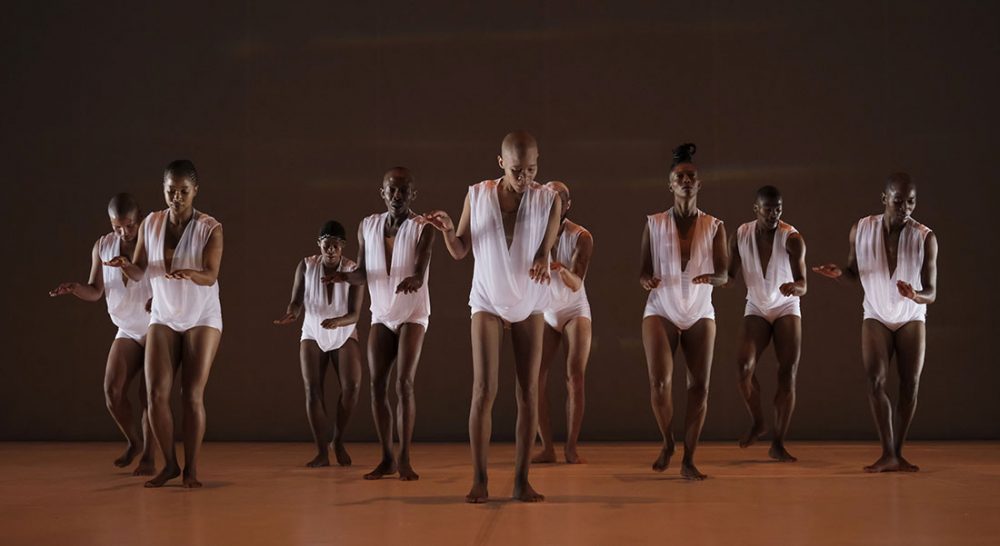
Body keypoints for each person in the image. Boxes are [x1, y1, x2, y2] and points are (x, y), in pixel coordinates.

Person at [423, 131, 561, 502]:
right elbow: (460, 250)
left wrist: (544, 256)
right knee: (484, 390)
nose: (525, 177)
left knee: (528, 392)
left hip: (529, 301)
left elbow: (549, 243)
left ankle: (520, 481)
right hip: (486, 298)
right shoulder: (478, 194)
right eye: (517, 170)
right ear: (501, 163)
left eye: (531, 168)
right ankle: (479, 479)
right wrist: (450, 231)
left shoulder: (549, 198)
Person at [105, 160, 223, 488]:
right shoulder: (152, 224)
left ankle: (192, 469)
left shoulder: (210, 227)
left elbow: (212, 273)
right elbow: (142, 270)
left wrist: (191, 273)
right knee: (157, 394)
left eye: (184, 191)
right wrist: (125, 266)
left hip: (201, 316)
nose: (177, 197)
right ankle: (170, 463)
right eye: (171, 190)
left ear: (195, 191)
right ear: (164, 189)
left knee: (191, 394)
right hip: (164, 315)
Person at [813, 173, 937, 472]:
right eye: (898, 201)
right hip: (876, 316)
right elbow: (854, 273)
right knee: (875, 380)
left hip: (911, 317)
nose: (905, 208)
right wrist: (839, 275)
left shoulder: (925, 237)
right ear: (885, 199)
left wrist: (916, 295)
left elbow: (932, 292)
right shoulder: (862, 228)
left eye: (911, 201)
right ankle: (887, 452)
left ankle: (898, 451)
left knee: (910, 385)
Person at [325, 167, 434, 481]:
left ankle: (405, 459)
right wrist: (343, 277)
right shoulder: (367, 226)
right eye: (392, 190)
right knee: (377, 387)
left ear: (412, 194)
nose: (397, 196)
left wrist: (415, 278)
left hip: (413, 314)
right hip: (382, 315)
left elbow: (422, 264)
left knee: (404, 384)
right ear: (382, 193)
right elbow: (363, 272)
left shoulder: (422, 227)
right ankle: (387, 457)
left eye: (403, 190)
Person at [49, 193, 156, 475]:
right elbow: (95, 290)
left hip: (157, 325)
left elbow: (138, 274)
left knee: (150, 396)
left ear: (140, 218)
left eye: (129, 225)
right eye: (117, 226)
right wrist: (75, 288)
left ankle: (149, 456)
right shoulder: (103, 246)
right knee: (112, 391)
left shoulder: (152, 239)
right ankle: (134, 441)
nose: (124, 232)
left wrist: (125, 264)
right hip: (128, 327)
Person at [639, 143, 728, 480]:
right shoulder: (654, 223)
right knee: (660, 383)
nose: (686, 180)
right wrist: (647, 280)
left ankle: (689, 458)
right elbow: (642, 270)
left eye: (692, 176)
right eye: (680, 177)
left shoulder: (715, 225)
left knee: (699, 387)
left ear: (699, 184)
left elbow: (725, 273)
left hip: (700, 311)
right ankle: (668, 441)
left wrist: (714, 278)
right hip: (661, 308)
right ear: (671, 184)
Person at [274, 220, 364, 468]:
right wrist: (292, 312)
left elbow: (356, 314)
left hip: (343, 331)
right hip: (313, 331)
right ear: (319, 245)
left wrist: (339, 322)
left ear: (343, 246)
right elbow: (296, 300)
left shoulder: (353, 270)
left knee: (352, 387)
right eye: (327, 245)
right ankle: (322, 451)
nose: (331, 250)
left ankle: (338, 440)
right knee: (313, 390)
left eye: (336, 245)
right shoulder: (306, 265)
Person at [726, 185, 806, 462]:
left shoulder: (792, 238)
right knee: (743, 368)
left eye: (778, 209)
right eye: (768, 209)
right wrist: (714, 278)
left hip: (786, 306)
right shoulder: (740, 234)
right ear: (756, 209)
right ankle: (758, 422)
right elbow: (729, 274)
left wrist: (794, 287)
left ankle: (779, 442)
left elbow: (803, 284)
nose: (773, 214)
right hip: (757, 306)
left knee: (787, 373)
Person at [532, 181, 594, 465]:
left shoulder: (581, 236)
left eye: (556, 200)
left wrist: (560, 269)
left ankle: (571, 446)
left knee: (574, 376)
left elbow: (577, 282)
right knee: (535, 379)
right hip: (545, 310)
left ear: (566, 206)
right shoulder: (532, 233)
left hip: (574, 309)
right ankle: (547, 447)